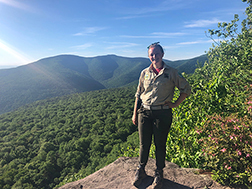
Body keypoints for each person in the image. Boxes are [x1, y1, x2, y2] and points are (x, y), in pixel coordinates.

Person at [132, 42, 191, 189]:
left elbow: (186, 89)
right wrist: (134, 114)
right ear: (148, 56)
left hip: (162, 113)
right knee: (143, 144)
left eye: (157, 53)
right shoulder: (144, 73)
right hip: (144, 112)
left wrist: (175, 104)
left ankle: (159, 173)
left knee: (160, 144)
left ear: (162, 54)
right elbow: (138, 95)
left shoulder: (171, 72)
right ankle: (141, 169)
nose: (154, 56)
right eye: (151, 54)